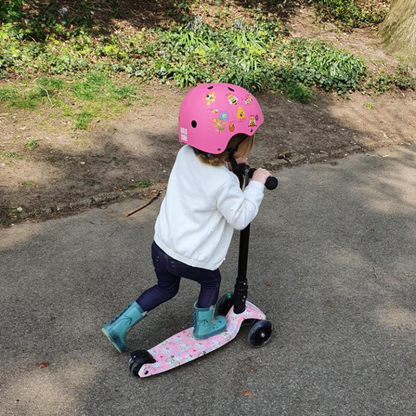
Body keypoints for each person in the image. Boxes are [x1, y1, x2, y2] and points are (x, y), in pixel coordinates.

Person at [102, 83, 271, 353]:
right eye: (245, 139)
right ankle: (203, 325)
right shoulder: (224, 183)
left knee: (165, 288)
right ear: (231, 144)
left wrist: (231, 162)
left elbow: (202, 177)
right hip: (190, 258)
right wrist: (256, 184)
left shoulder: (184, 154)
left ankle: (118, 326)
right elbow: (240, 217)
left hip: (162, 246)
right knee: (211, 280)